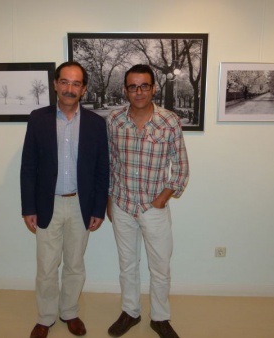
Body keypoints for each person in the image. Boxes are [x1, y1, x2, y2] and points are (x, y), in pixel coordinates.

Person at [20, 61, 109, 338]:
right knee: (47, 266)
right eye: (65, 82)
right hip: (48, 205)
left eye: (76, 83)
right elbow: (29, 166)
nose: (70, 88)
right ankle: (45, 317)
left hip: (81, 204)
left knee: (74, 264)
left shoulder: (96, 123)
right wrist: (29, 207)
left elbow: (101, 169)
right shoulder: (38, 118)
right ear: (56, 84)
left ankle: (69, 311)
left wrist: (98, 208)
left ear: (83, 89)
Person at [106, 64, 189, 338]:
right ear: (125, 90)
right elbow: (108, 163)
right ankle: (130, 312)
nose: (139, 92)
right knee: (127, 264)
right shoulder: (114, 120)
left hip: (154, 207)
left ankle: (160, 317)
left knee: (160, 266)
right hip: (122, 204)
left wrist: (163, 199)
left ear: (154, 88)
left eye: (144, 86)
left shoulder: (169, 121)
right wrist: (109, 198)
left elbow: (181, 167)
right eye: (133, 86)